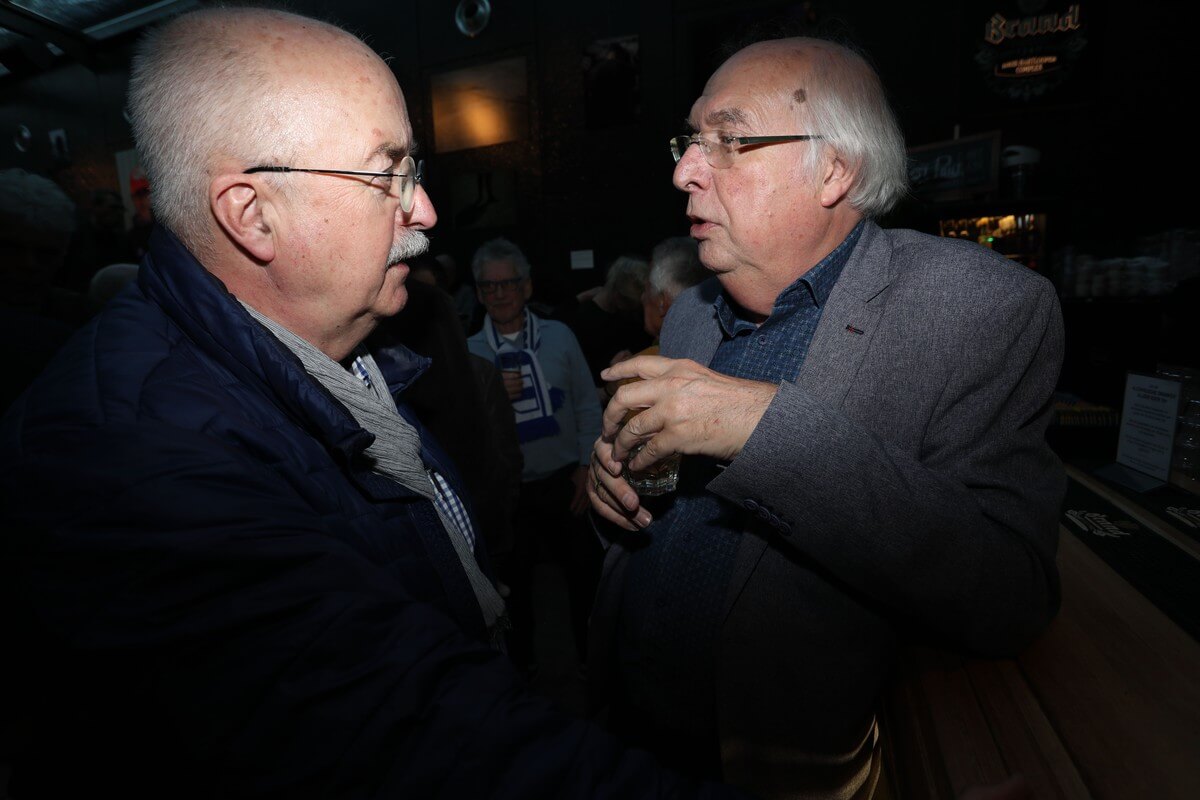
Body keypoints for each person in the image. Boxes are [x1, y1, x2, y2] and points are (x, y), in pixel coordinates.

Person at [0, 8, 747, 799]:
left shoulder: (342, 352)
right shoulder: (133, 460)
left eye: (412, 171)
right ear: (252, 214)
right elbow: (419, 738)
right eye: (385, 173)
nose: (423, 209)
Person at [587, 36, 1065, 800]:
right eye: (690, 140)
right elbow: (655, 516)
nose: (684, 170)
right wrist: (607, 493)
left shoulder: (980, 310)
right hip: (624, 735)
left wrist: (762, 430)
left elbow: (1007, 593)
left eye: (730, 141)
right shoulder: (689, 317)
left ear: (835, 170)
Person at [466, 237, 604, 677]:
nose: (500, 294)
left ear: (526, 287)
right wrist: (489, 397)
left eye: (509, 283)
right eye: (489, 287)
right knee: (515, 591)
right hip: (510, 495)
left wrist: (587, 466)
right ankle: (522, 675)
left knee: (585, 579)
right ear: (479, 293)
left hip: (567, 481)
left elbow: (587, 403)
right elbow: (464, 436)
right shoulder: (469, 354)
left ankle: (592, 664)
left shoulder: (559, 336)